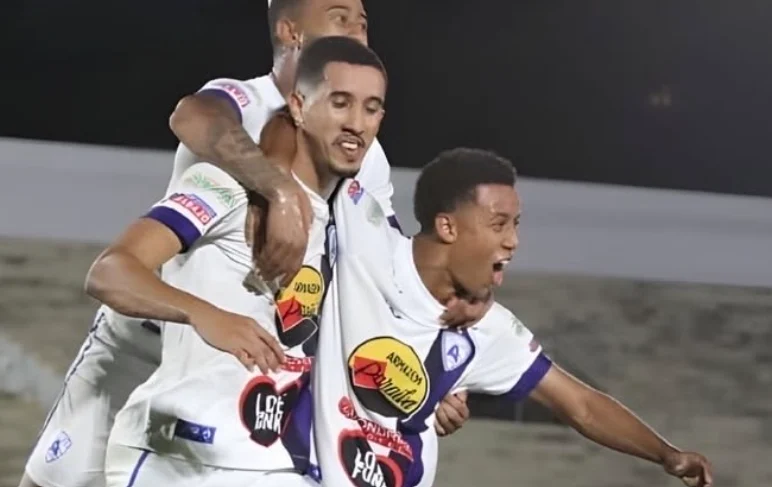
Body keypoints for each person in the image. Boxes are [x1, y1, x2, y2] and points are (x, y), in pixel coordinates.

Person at [19, 2, 469, 487]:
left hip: (249, 369)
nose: (358, 30)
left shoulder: (365, 154)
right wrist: (276, 188)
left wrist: (424, 375)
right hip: (147, 336)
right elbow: (190, 116)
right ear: (291, 31)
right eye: (340, 16)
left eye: (363, 21)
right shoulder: (242, 101)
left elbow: (381, 268)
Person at [312, 148, 715, 487]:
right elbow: (335, 111)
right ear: (448, 226)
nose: (513, 241)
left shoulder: (488, 330)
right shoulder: (365, 234)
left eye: (515, 225)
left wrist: (667, 455)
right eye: (499, 224)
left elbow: (581, 405)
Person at [97, 36, 385, 487]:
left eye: (371, 109)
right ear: (299, 106)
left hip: (266, 465)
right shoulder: (227, 188)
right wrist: (203, 314)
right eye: (340, 103)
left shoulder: (348, 223)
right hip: (175, 456)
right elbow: (111, 271)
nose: (356, 124)